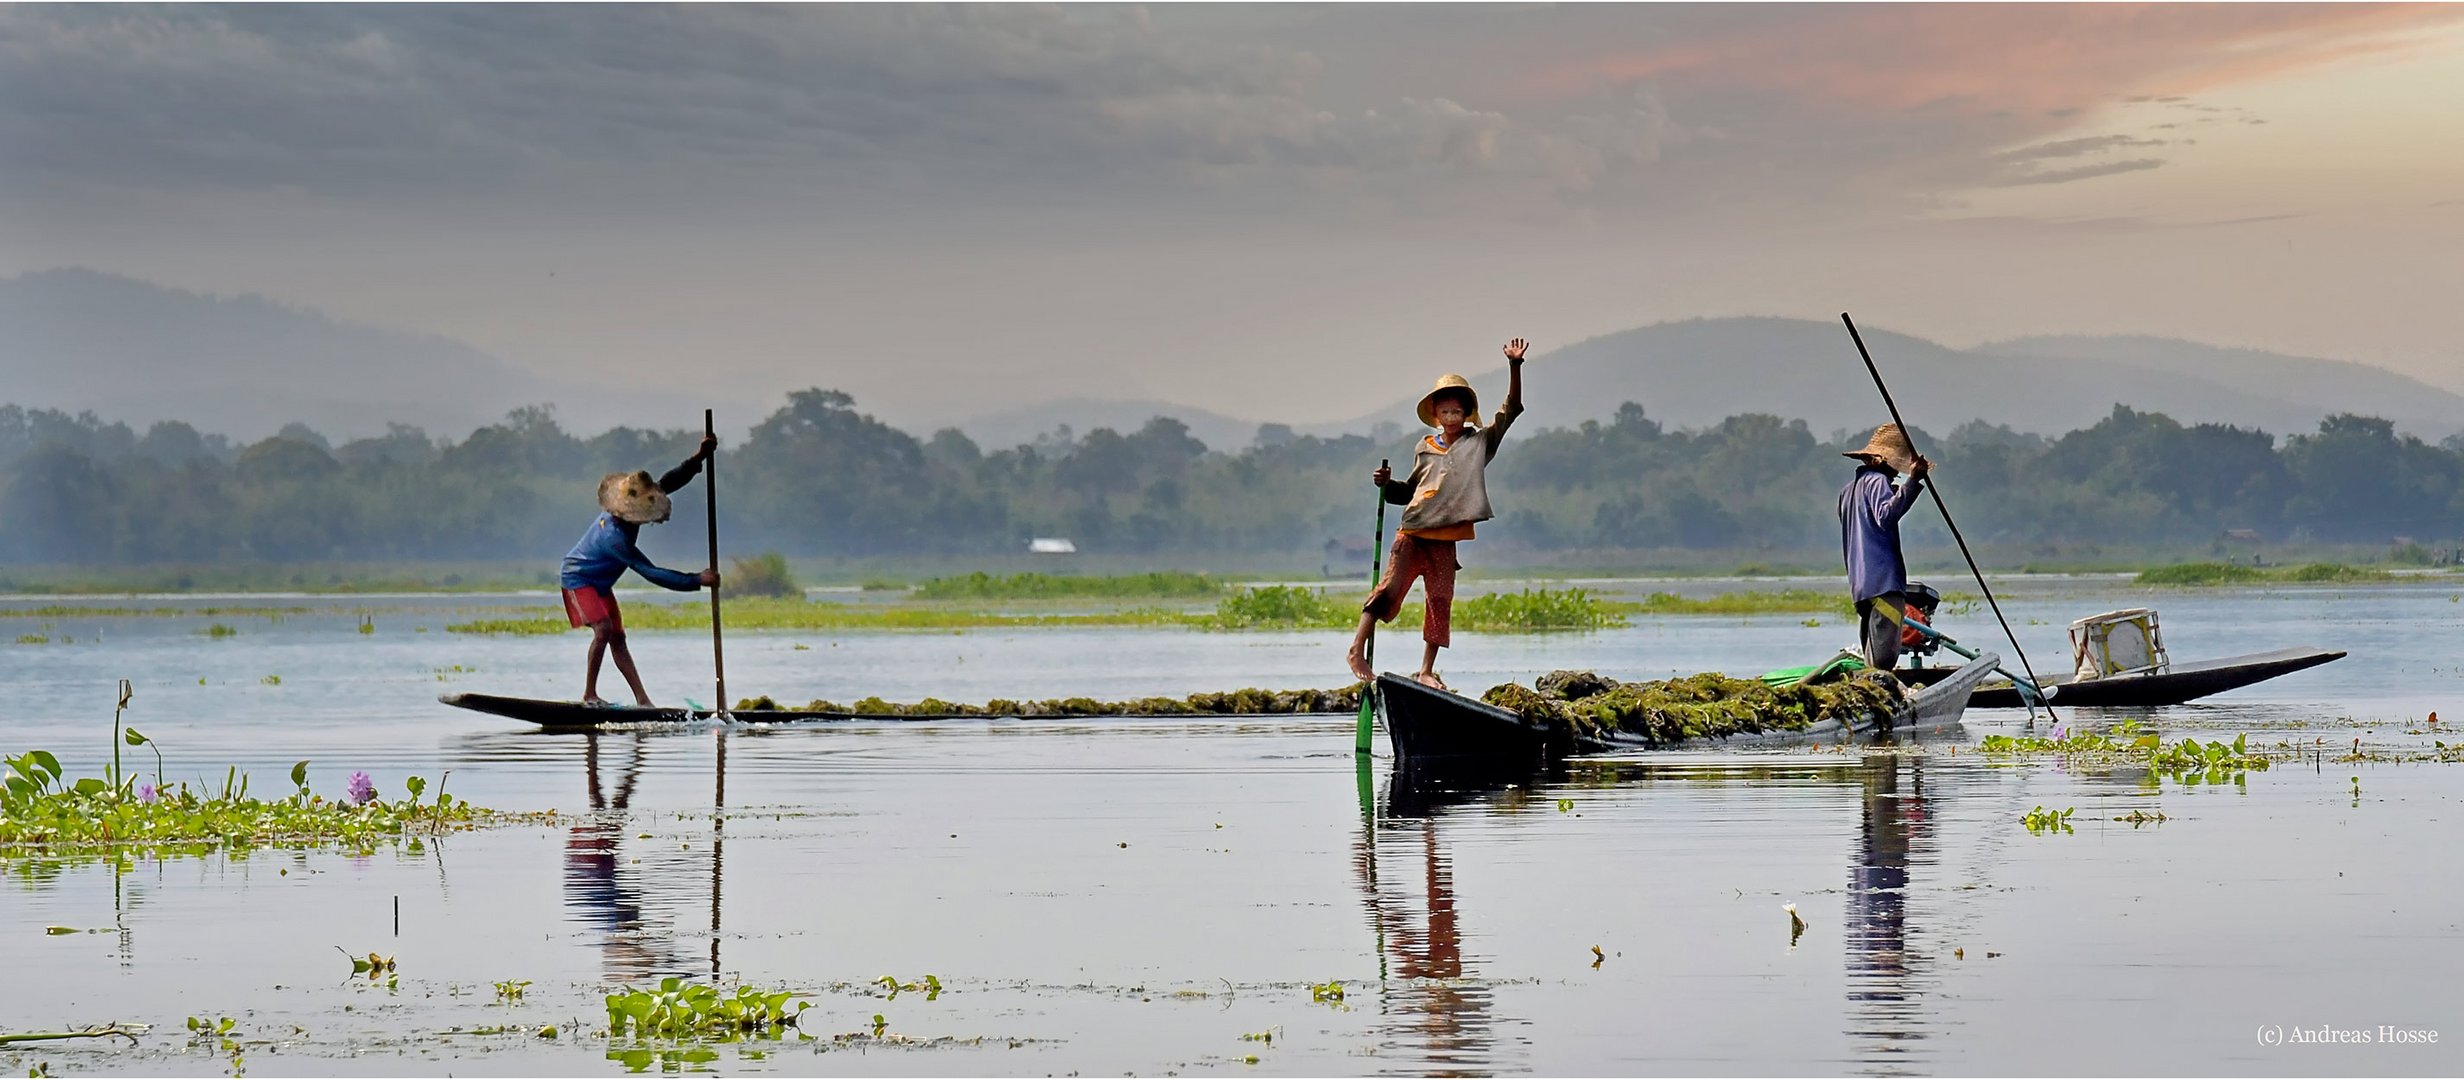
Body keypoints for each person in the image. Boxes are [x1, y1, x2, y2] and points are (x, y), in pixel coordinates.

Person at [1345, 338, 1529, 690]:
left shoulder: (1480, 443)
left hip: (1445, 540)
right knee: (1388, 590)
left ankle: (1426, 670)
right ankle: (1356, 650)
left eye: (1457, 412)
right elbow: (1408, 492)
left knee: (1440, 602)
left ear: (1466, 414)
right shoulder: (1425, 448)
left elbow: (1513, 407)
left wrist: (1514, 367)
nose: (1451, 418)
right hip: (1413, 533)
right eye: (1445, 412)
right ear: (1436, 416)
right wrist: (1385, 484)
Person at [560, 435, 721, 706]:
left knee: (618, 639)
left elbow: (669, 482)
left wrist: (699, 457)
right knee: (603, 629)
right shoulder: (614, 538)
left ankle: (643, 700)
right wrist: (696, 580)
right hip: (578, 578)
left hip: (600, 584)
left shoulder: (632, 502)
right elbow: (650, 572)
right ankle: (589, 694)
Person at [1838, 423, 1932, 671]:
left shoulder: (1848, 492)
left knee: (1872, 657)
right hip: (1883, 582)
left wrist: (1899, 489)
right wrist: (1912, 483)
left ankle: (1873, 693)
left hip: (1861, 586)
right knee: (1883, 660)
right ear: (1881, 460)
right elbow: (1885, 516)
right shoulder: (1877, 481)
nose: (1895, 472)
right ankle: (1881, 700)